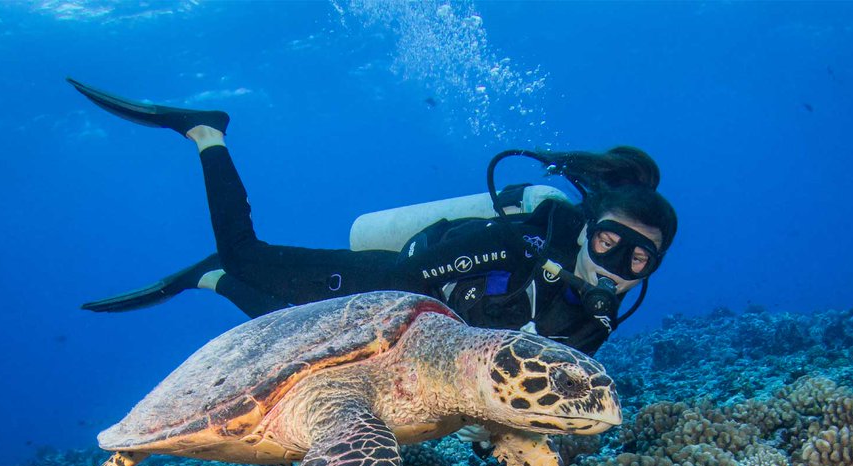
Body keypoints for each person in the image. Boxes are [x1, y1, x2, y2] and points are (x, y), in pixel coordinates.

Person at [68, 79, 677, 356]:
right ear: (588, 230)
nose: (617, 268)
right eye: (608, 243)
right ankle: (206, 131)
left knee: (290, 336)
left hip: (435, 347)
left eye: (639, 258)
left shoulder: (602, 314)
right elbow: (415, 285)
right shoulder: (517, 248)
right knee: (256, 270)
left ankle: (209, 277)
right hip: (401, 282)